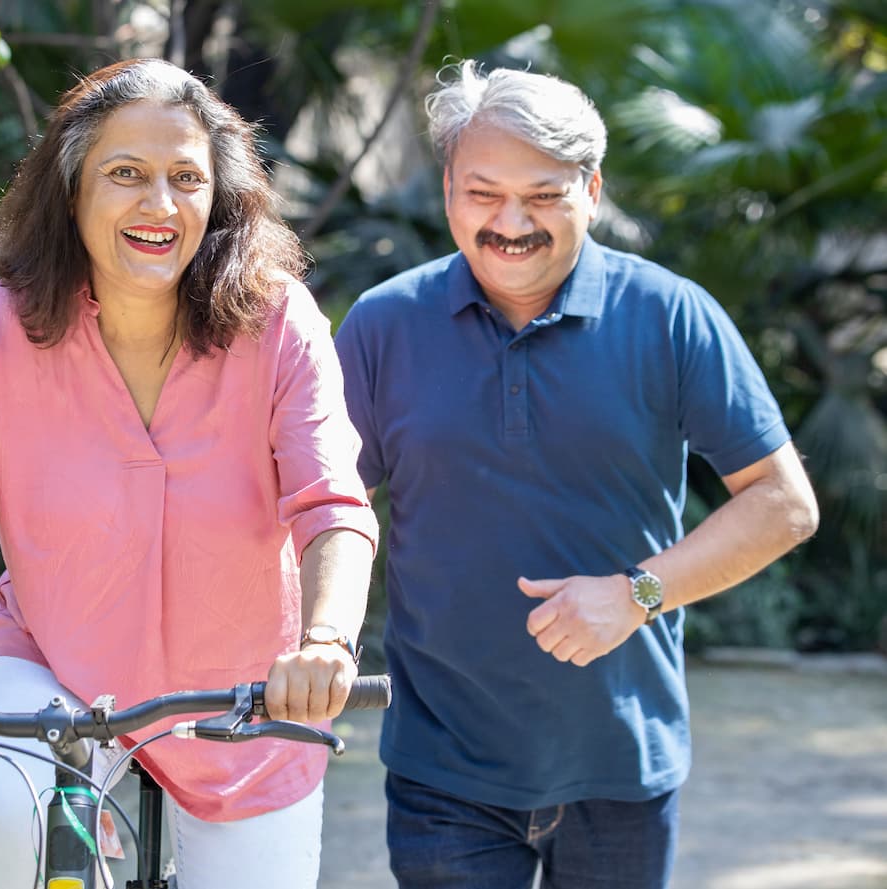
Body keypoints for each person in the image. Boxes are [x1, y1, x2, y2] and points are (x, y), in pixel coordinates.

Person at [0, 58, 377, 889]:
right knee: (14, 817)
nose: (158, 204)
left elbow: (331, 502)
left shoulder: (278, 323)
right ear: (71, 191)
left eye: (185, 178)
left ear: (219, 199)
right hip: (51, 669)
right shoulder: (2, 330)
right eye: (124, 173)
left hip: (243, 699)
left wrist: (323, 643)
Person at [334, 60, 819, 889]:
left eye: (544, 194)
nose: (510, 222)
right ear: (446, 187)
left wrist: (635, 593)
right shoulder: (383, 325)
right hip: (442, 767)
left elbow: (782, 504)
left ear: (591, 189)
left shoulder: (671, 315)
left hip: (619, 761)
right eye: (482, 192)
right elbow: (321, 507)